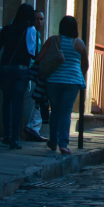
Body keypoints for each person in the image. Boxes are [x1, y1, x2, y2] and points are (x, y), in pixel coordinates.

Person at [41, 16, 89, 154]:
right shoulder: (79, 44)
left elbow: (41, 57)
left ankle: (53, 141)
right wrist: (80, 75)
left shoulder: (53, 40)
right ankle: (63, 144)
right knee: (66, 112)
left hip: (53, 80)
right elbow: (85, 64)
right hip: (72, 81)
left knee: (55, 111)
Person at [0, 4, 37, 149]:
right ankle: (14, 139)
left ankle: (6, 135)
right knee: (18, 103)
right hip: (22, 70)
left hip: (6, 69)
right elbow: (32, 52)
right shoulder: (30, 30)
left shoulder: (6, 29)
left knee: (6, 101)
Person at [23, 10, 48, 142]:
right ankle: (31, 127)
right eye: (37, 19)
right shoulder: (31, 31)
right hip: (31, 72)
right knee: (33, 100)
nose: (39, 21)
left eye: (41, 19)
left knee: (35, 101)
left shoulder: (37, 34)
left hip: (34, 72)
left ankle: (32, 128)